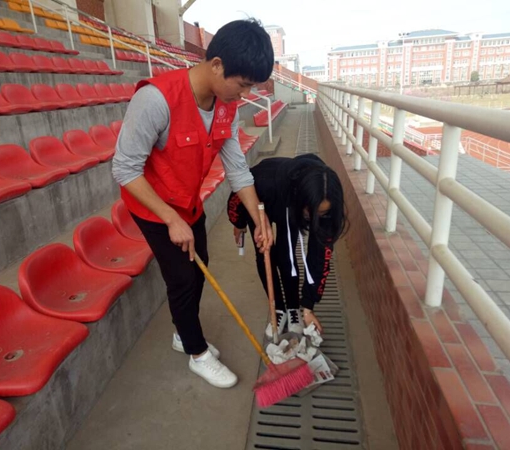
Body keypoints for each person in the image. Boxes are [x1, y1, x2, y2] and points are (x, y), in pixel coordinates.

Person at [112, 19, 274, 389]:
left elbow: (238, 170)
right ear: (216, 65)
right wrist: (169, 219)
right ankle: (197, 352)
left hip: (188, 202)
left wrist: (258, 220)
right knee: (183, 278)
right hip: (152, 204)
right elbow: (124, 168)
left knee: (200, 268)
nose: (245, 94)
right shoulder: (156, 99)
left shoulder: (226, 106)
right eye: (243, 84)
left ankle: (182, 333)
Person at [227, 154, 347, 338]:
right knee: (265, 253)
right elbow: (237, 196)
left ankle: (293, 308)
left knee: (287, 255)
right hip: (263, 203)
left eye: (321, 213)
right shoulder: (263, 180)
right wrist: (238, 222)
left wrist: (308, 306)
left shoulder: (327, 204)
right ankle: (278, 308)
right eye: (311, 213)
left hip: (293, 211)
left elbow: (320, 257)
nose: (315, 219)